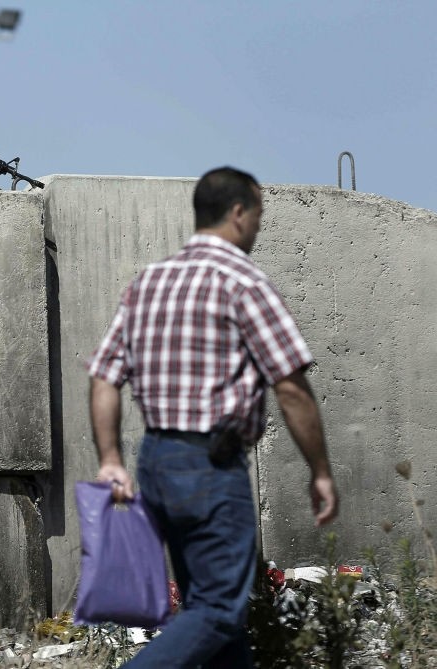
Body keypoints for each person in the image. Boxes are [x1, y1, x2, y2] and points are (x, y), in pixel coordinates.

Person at [86, 167, 339, 667]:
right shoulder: (243, 281)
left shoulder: (150, 282)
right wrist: (321, 472)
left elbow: (104, 376)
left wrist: (111, 458)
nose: (260, 227)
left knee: (216, 624)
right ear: (239, 213)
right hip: (210, 466)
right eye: (259, 215)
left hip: (156, 462)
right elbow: (290, 387)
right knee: (221, 610)